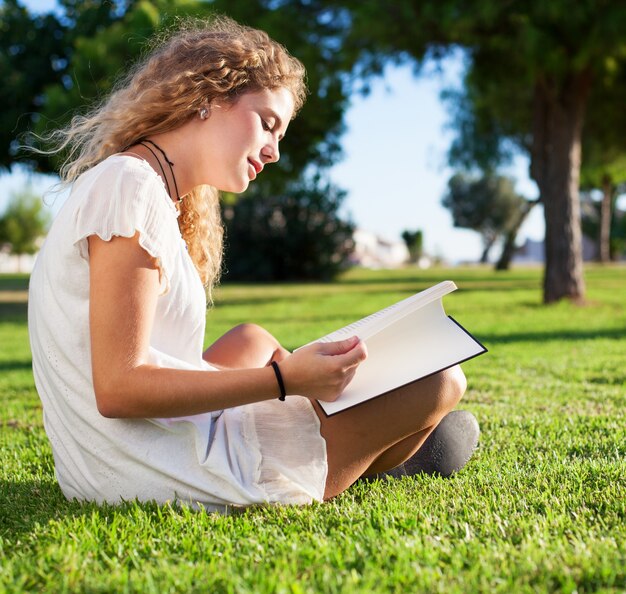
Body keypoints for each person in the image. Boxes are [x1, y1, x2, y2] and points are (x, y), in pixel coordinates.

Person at [28, 17, 478, 512]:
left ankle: (362, 434)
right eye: (267, 123)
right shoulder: (129, 187)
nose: (275, 150)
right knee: (442, 381)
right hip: (141, 467)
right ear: (208, 96)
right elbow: (119, 388)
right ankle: (370, 449)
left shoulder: (147, 188)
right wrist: (286, 382)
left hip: (109, 457)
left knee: (251, 340)